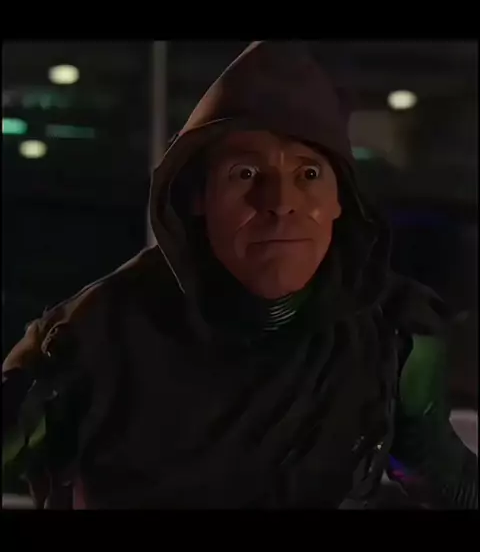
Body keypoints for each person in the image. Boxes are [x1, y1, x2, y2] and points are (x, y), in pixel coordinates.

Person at [2, 41, 478, 509]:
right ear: (197, 198)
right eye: (246, 174)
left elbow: (436, 468)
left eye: (309, 175)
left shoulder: (390, 332)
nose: (281, 203)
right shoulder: (91, 340)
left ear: (340, 201)